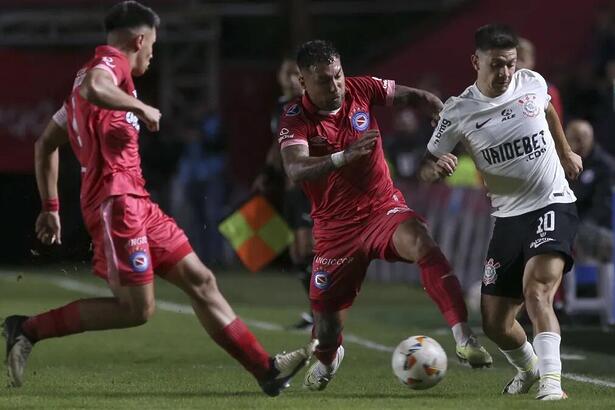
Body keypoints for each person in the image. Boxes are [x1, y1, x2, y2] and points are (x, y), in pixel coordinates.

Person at [2, 1, 313, 396]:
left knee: (202, 280)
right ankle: (27, 328)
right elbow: (94, 87)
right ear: (140, 39)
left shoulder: (89, 86)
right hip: (116, 203)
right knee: (137, 309)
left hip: (138, 202)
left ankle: (265, 370)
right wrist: (141, 106)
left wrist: (50, 208)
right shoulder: (109, 66)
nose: (153, 53)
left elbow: (45, 143)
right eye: (153, 45)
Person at [277, 39, 492, 392]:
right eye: (324, 80)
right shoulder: (294, 118)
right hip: (335, 229)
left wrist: (439, 113)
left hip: (381, 208)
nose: (335, 86)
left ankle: (464, 337)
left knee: (422, 243)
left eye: (338, 75)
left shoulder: (361, 88)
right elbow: (296, 169)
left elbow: (415, 97)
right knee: (327, 325)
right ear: (303, 82)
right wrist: (343, 157)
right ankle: (330, 358)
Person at [419, 24, 583, 400]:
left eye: (509, 64)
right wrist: (436, 168)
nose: (505, 72)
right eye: (496, 64)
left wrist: (565, 152)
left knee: (537, 291)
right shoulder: (458, 111)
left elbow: (548, 111)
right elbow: (428, 163)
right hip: (508, 217)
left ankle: (552, 384)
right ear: (476, 62)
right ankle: (528, 368)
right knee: (494, 322)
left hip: (553, 201)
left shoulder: (532, 82)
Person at [253, 57, 314, 330]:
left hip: (308, 184)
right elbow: (277, 144)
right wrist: (266, 173)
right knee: (296, 253)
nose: (290, 79)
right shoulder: (280, 107)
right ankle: (317, 310)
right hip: (289, 186)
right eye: (286, 73)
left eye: (295, 74)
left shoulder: (310, 105)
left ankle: (326, 309)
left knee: (307, 247)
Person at [566, 119, 615, 262]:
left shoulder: (604, 165)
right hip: (567, 220)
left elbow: (602, 204)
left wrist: (578, 225)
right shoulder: (562, 162)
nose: (576, 143)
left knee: (573, 238)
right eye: (571, 139)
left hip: (595, 224)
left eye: (579, 139)